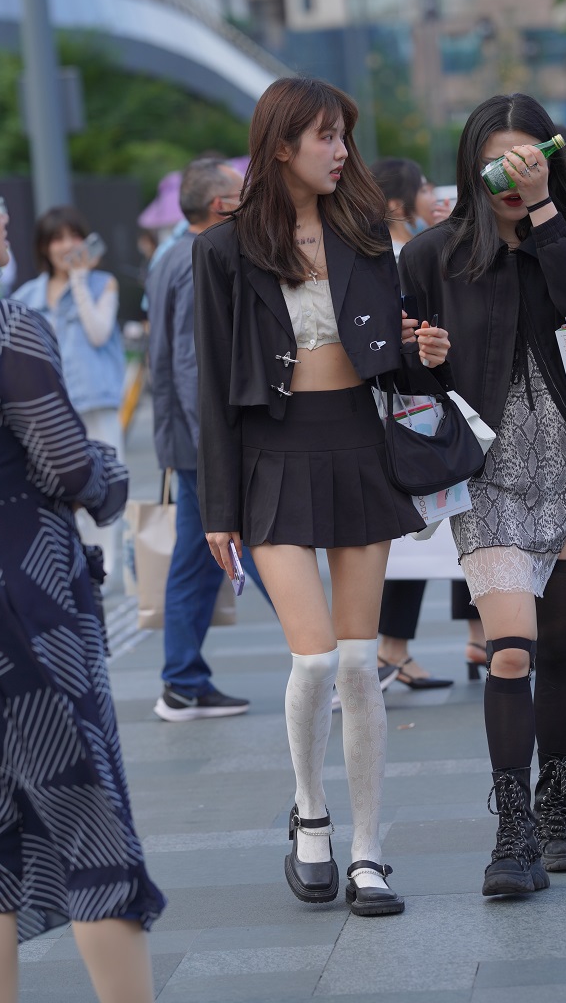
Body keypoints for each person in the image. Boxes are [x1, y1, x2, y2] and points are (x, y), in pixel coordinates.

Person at [0, 145, 163, 1003]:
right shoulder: (3, 327)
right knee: (91, 826)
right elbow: (69, 468)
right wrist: (112, 476)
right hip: (18, 601)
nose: (5, 213)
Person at [192, 77, 449, 917]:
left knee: (358, 662)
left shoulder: (366, 234)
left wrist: (423, 350)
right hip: (271, 458)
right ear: (281, 146)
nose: (341, 151)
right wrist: (217, 509)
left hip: (358, 448)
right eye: (325, 137)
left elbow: (392, 357)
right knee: (312, 660)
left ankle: (369, 851)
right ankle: (311, 812)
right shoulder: (224, 250)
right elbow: (212, 388)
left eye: (343, 136)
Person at [401, 93, 566, 898]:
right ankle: (513, 830)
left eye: (526, 160)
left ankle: (556, 808)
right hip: (487, 474)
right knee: (510, 649)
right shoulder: (432, 254)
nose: (509, 176)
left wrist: (541, 212)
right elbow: (406, 378)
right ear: (472, 166)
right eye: (496, 163)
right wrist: (422, 354)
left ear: (550, 160)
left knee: (558, 654)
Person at [146, 158, 270, 721]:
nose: (253, 197)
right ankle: (330, 659)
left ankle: (183, 682)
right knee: (265, 547)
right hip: (203, 440)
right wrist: (218, 446)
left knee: (197, 561)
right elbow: (194, 363)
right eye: (243, 192)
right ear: (222, 206)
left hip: (186, 438)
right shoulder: (202, 256)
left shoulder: (171, 255)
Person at [368, 157, 454, 692]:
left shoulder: (411, 249)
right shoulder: (403, 256)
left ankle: (397, 650)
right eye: (424, 188)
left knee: (430, 533)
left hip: (415, 407)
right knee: (420, 533)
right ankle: (389, 651)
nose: (432, 195)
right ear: (399, 203)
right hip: (414, 408)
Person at [12, 208, 126, 583]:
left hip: (97, 402)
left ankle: (104, 571)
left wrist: (78, 281)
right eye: (57, 239)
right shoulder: (27, 296)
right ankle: (75, 566)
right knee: (61, 488)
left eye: (73, 236)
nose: (67, 246)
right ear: (44, 247)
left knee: (106, 483)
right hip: (52, 409)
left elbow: (98, 332)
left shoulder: (102, 283)